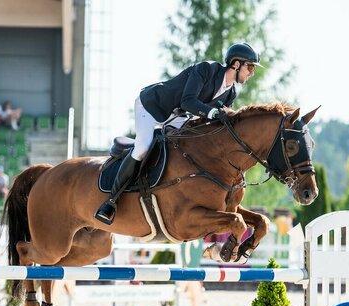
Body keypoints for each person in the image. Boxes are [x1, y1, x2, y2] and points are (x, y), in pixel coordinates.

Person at [94, 42, 262, 225]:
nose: (252, 72)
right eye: (250, 66)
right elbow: (188, 101)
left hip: (178, 115)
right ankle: (111, 201)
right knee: (143, 146)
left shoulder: (231, 93)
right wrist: (213, 113)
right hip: (153, 106)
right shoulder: (206, 70)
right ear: (236, 64)